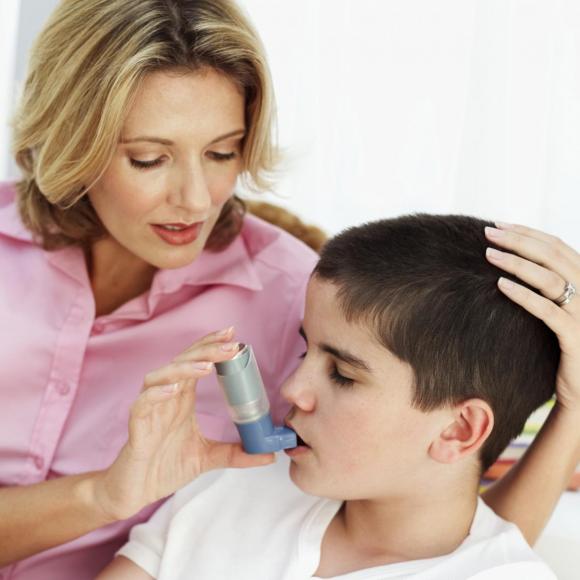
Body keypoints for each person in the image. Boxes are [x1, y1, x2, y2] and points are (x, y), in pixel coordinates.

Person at [0, 0, 578, 578]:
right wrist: (102, 496)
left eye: (223, 152)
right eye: (149, 159)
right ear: (70, 139)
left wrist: (572, 410)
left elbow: (441, 538)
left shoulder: (291, 301)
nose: (197, 198)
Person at [99, 214, 576, 579]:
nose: (291, 388)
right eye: (305, 350)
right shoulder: (231, 491)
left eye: (343, 375)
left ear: (459, 429)